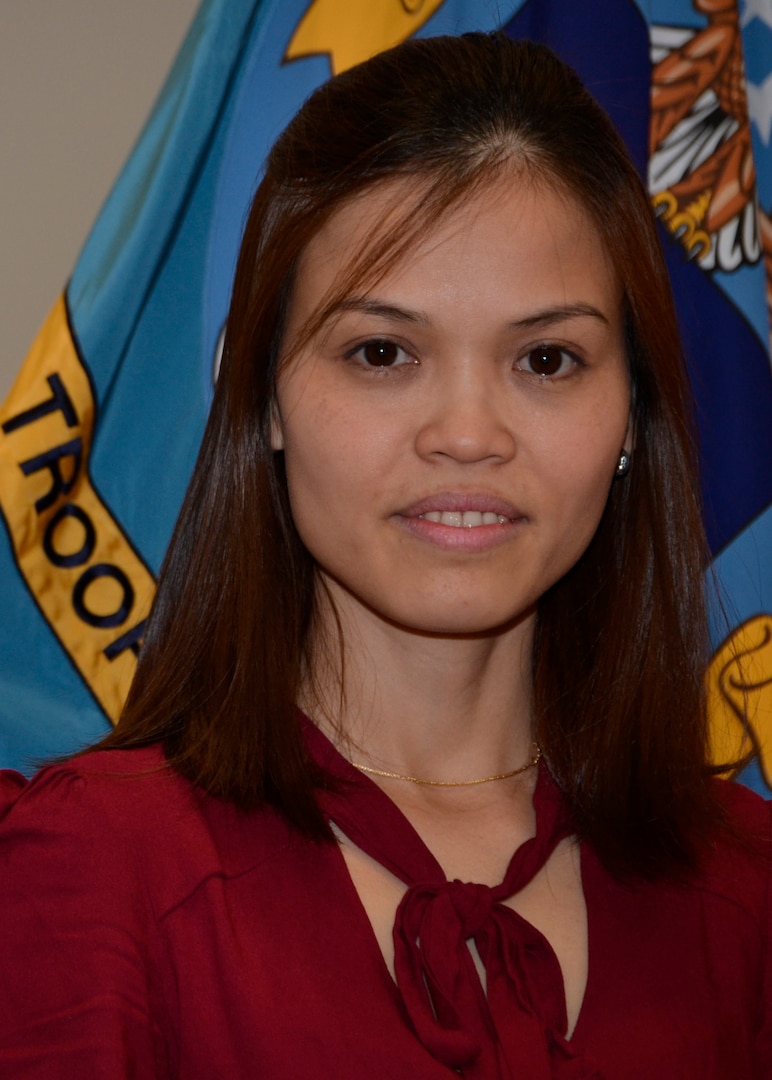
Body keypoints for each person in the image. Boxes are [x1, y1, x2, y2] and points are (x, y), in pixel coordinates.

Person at [0, 31, 769, 1079]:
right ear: (262, 393)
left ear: (631, 410)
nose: (466, 432)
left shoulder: (747, 897)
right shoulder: (90, 871)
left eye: (546, 359)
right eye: (382, 353)